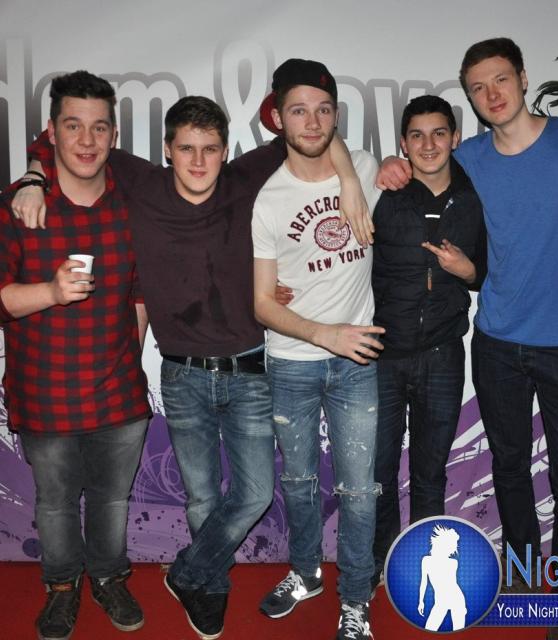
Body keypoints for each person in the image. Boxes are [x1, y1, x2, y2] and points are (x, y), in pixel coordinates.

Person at [16, 93, 370, 640]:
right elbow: (66, 137)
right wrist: (32, 177)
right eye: (186, 149)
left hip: (249, 370)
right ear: (167, 151)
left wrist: (350, 179)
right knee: (201, 496)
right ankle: (211, 586)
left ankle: (187, 573)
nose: (199, 161)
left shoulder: (243, 179)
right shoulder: (142, 183)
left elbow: (313, 133)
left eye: (209, 149)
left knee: (255, 493)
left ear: (226, 151)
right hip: (181, 376)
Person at [378, 38, 558, 640]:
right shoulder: (470, 158)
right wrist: (390, 164)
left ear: (522, 78)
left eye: (500, 80)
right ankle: (523, 574)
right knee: (510, 468)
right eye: (478, 88)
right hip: (495, 344)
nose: (492, 94)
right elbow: (421, 165)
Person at [0, 70, 151, 640]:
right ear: (51, 132)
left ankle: (109, 577)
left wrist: (129, 353)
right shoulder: (18, 207)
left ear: (114, 134)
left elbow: (140, 292)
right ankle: (62, 587)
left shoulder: (133, 206)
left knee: (112, 501)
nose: (87, 140)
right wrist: (50, 292)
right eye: (73, 126)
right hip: (45, 393)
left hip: (119, 394)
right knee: (57, 504)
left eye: (99, 127)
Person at [252, 58, 382, 640]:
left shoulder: (366, 168)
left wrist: (350, 177)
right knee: (299, 482)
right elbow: (262, 304)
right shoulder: (268, 198)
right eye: (299, 110)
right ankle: (305, 573)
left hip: (356, 367)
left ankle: (355, 599)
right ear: (278, 118)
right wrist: (326, 334)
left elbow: (353, 158)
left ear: (336, 116)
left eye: (323, 110)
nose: (312, 122)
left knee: (359, 491)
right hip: (292, 362)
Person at [370, 95, 486, 592]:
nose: (429, 144)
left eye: (439, 133)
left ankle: (421, 563)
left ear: (455, 138)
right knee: (377, 472)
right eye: (417, 135)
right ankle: (379, 562)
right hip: (382, 354)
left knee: (430, 471)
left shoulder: (477, 194)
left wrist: (467, 270)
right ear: (403, 143)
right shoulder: (385, 191)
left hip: (443, 353)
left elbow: (488, 271)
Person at [417, 525, 466, 631]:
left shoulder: (453, 563)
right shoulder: (426, 560)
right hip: (440, 601)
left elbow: (452, 584)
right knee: (429, 629)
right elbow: (423, 583)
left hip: (456, 599)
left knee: (458, 632)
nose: (453, 549)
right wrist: (421, 601)